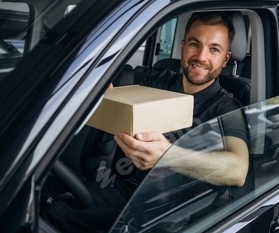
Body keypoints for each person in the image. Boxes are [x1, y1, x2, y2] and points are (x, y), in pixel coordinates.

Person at [43, 11, 250, 232]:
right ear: (182, 46)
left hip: (177, 210)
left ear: (225, 58)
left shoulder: (227, 108)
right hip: (127, 189)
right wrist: (107, 97)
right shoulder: (157, 81)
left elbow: (238, 170)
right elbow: (122, 108)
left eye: (214, 49)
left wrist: (167, 155)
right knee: (48, 210)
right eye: (194, 44)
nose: (201, 56)